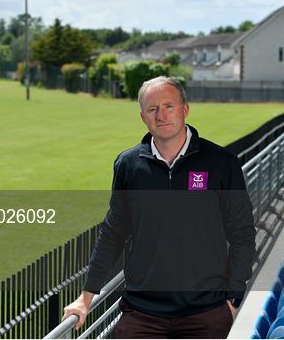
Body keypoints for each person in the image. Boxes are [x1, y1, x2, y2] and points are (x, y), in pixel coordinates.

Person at [62, 76, 256, 338]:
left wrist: (233, 298)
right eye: (153, 109)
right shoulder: (128, 165)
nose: (161, 115)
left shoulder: (221, 162)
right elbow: (113, 233)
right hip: (142, 314)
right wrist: (85, 298)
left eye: (169, 106)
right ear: (143, 116)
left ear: (184, 109)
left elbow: (242, 232)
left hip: (205, 314)